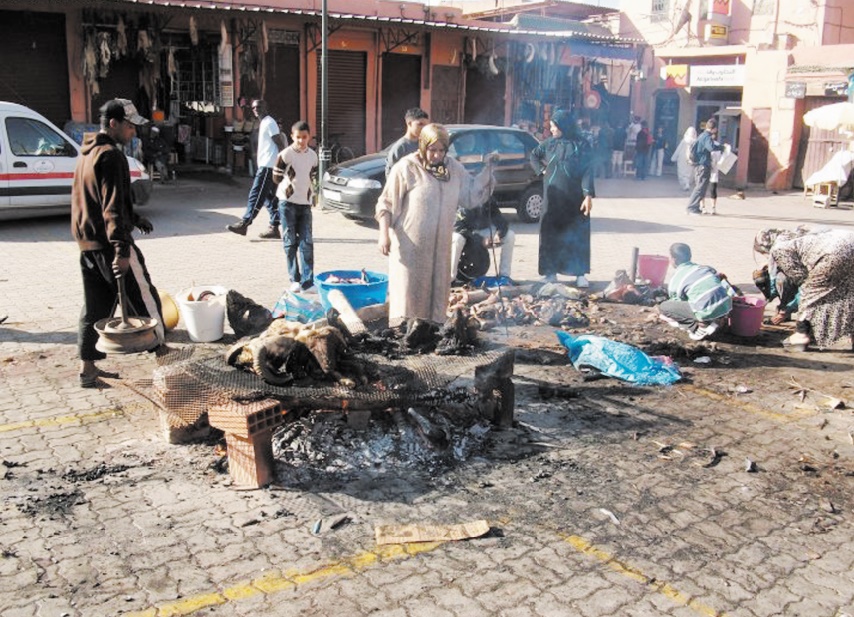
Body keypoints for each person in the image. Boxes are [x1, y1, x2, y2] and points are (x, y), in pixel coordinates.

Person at [71, 98, 165, 388]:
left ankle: (88, 369)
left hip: (88, 246)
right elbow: (111, 208)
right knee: (146, 299)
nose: (133, 133)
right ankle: (168, 361)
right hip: (111, 244)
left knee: (95, 307)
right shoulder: (112, 156)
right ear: (114, 124)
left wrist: (134, 217)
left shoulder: (88, 152)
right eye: (129, 127)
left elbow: (98, 200)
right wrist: (122, 250)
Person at [376, 123, 496, 324]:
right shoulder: (407, 168)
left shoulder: (453, 169)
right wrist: (383, 235)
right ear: (423, 146)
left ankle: (432, 333)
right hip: (411, 248)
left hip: (440, 249)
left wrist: (487, 169)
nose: (437, 155)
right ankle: (402, 334)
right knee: (409, 294)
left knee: (436, 294)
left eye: (441, 150)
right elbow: (385, 204)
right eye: (432, 150)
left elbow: (471, 194)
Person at [530, 109, 594, 288]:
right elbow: (533, 156)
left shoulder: (581, 145)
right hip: (552, 200)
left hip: (574, 201)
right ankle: (550, 272)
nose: (551, 130)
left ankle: (579, 273)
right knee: (550, 235)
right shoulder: (549, 144)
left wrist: (588, 194)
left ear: (564, 126)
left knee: (577, 235)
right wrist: (541, 170)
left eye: (554, 126)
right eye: (551, 126)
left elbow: (588, 170)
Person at [769, 228, 854, 350]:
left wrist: (788, 309)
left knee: (810, 292)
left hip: (835, 251)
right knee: (850, 292)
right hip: (849, 239)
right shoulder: (791, 236)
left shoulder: (779, 249)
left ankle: (801, 335)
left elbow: (802, 281)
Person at [226, 99, 286, 238]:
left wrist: (283, 164)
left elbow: (280, 144)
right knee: (268, 198)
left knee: (256, 194)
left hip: (268, 166)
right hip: (267, 165)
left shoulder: (270, 122)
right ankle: (274, 227)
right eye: (253, 107)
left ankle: (245, 223)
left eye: (259, 107)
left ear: (265, 107)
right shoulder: (264, 122)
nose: (256, 109)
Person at [273, 121, 319, 293]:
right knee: (290, 241)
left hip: (305, 204)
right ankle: (295, 279)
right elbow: (276, 177)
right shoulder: (285, 155)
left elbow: (312, 177)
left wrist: (311, 195)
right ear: (292, 136)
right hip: (287, 202)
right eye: (298, 137)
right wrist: (290, 187)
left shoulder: (313, 156)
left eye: (304, 137)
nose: (301, 141)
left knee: (306, 242)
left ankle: (308, 282)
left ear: (309, 137)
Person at [657, 243, 733, 341]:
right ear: (690, 256)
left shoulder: (675, 280)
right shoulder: (704, 268)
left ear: (673, 259)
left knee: (664, 307)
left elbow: (678, 302)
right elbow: (715, 275)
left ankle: (700, 326)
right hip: (727, 306)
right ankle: (718, 319)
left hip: (707, 311)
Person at [450, 197, 516, 282]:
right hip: (465, 234)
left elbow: (502, 222)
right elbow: (457, 227)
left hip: (482, 232)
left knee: (510, 235)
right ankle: (452, 277)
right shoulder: (465, 201)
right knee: (457, 238)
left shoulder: (489, 200)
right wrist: (481, 240)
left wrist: (498, 234)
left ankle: (504, 276)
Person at [686, 118, 725, 215]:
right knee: (700, 187)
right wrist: (721, 147)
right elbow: (711, 147)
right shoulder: (707, 137)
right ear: (714, 129)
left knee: (701, 187)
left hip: (700, 165)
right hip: (703, 165)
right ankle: (691, 208)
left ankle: (696, 207)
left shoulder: (702, 135)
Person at [385, 107, 429, 178]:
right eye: (420, 124)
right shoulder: (401, 147)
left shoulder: (425, 144)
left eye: (426, 125)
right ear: (409, 123)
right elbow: (390, 173)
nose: (424, 127)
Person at [671, 127, 697, 191]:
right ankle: (687, 183)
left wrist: (674, 158)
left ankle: (685, 184)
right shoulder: (696, 141)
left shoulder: (684, 140)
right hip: (691, 159)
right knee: (689, 172)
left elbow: (678, 149)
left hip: (682, 158)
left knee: (682, 172)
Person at [702, 149, 721, 214]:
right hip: (703, 170)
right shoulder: (703, 144)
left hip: (714, 171)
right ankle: (703, 207)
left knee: (713, 189)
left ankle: (713, 208)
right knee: (702, 188)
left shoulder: (717, 146)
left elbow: (720, 159)